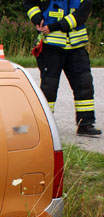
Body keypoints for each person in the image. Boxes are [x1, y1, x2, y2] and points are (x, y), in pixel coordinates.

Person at [24, 0, 101, 137]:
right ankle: (44, 125)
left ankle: (85, 124)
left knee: (84, 85)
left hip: (76, 47)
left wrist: (56, 26)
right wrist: (37, 18)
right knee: (49, 87)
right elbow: (30, 3)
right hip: (51, 46)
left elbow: (81, 15)